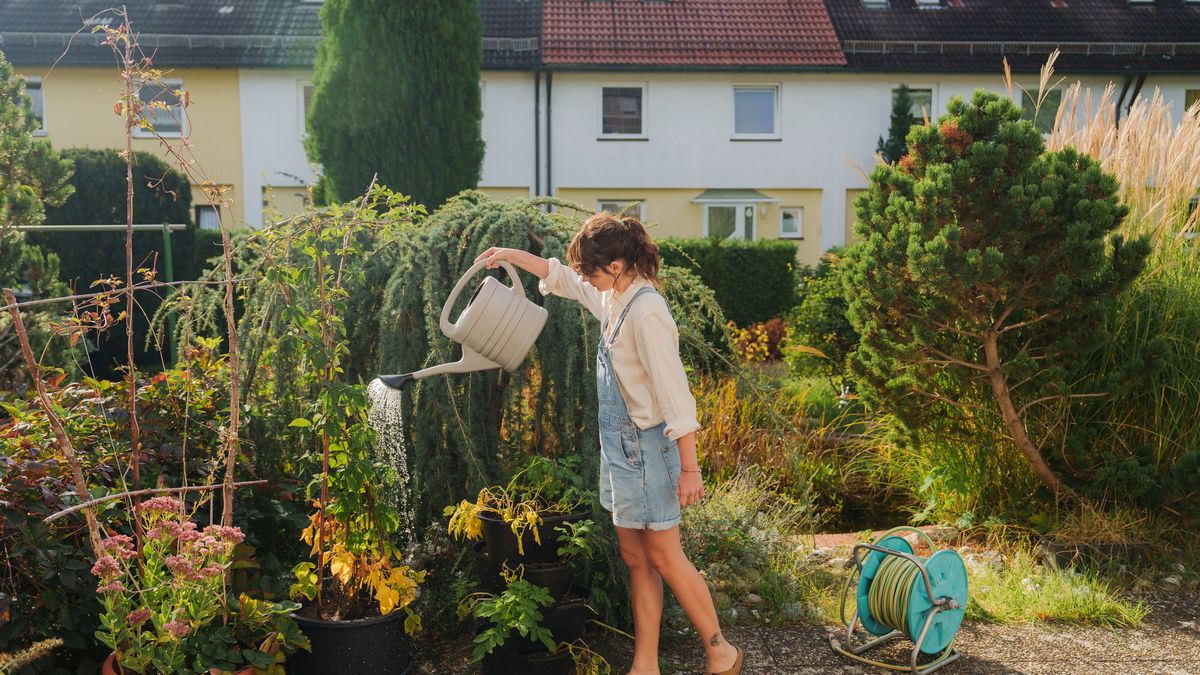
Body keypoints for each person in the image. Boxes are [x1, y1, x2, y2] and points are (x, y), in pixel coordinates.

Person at [474, 212, 744, 675]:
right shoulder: (614, 298)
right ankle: (645, 665)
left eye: (591, 269)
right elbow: (563, 278)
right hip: (621, 452)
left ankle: (721, 650)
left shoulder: (647, 311)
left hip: (649, 451)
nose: (585, 277)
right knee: (636, 558)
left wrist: (690, 468)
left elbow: (676, 396)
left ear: (616, 266)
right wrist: (508, 257)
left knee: (665, 555)